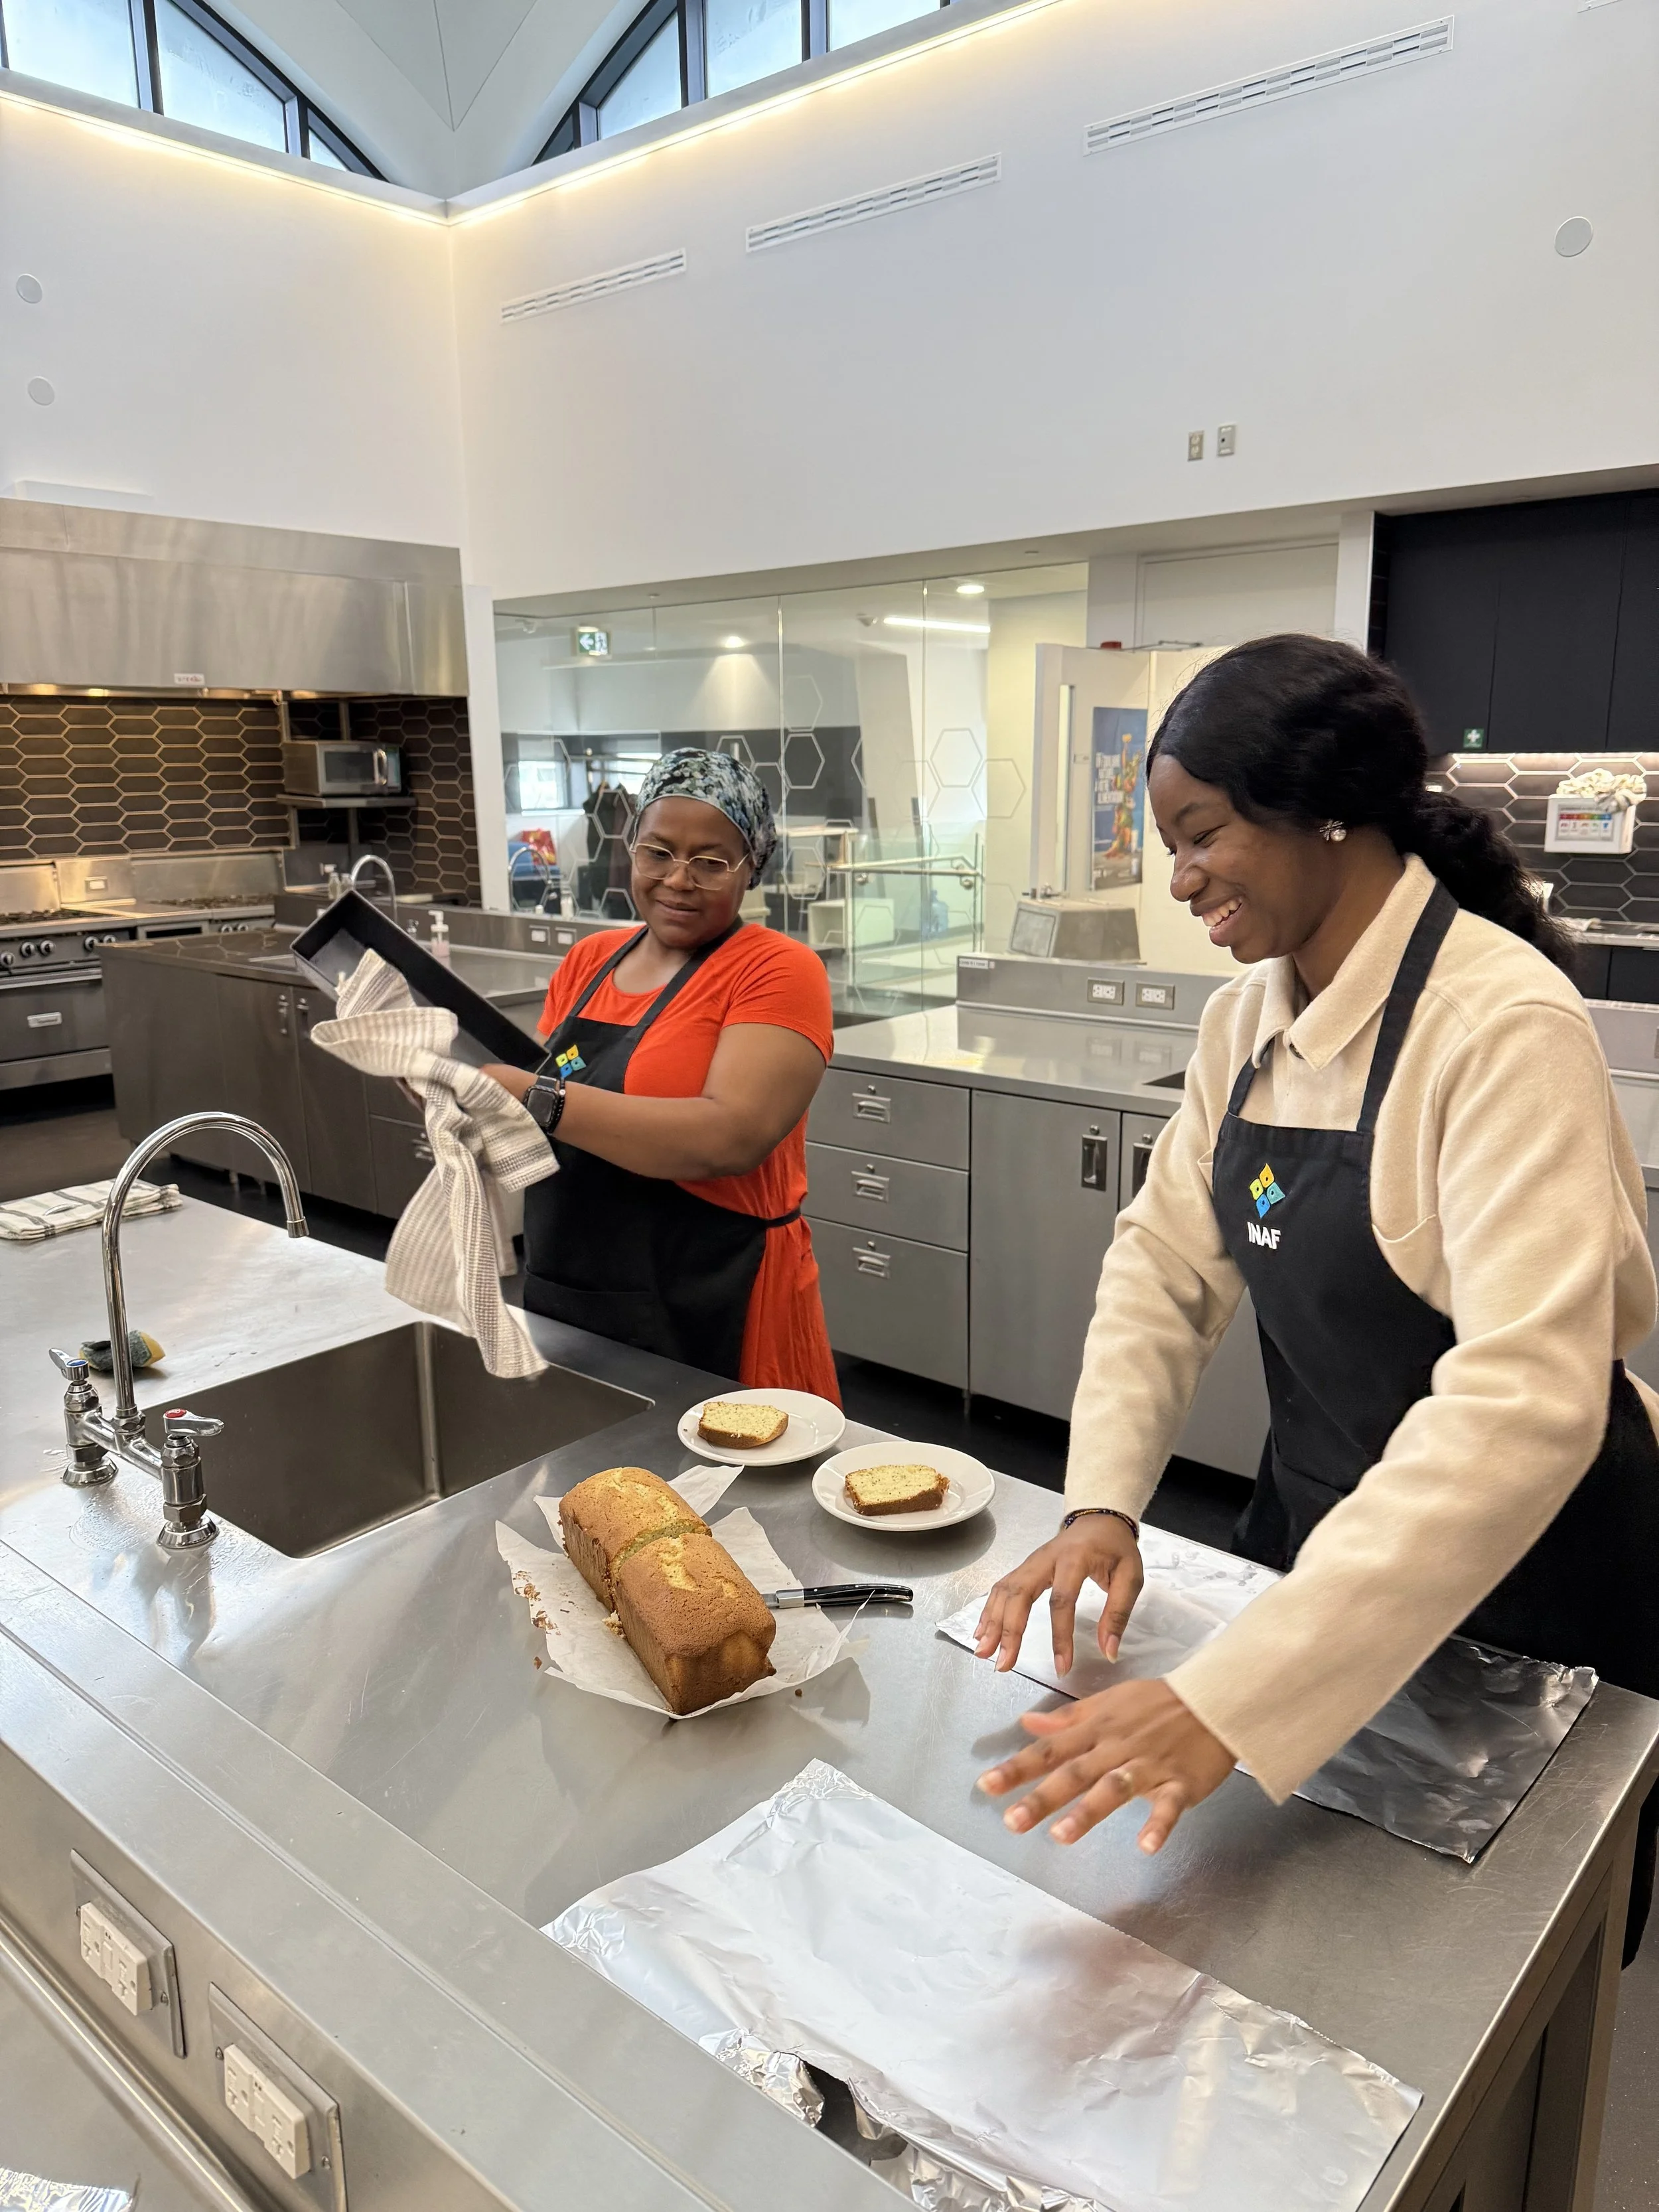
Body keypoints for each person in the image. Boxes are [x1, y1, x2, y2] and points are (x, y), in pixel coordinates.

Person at [972, 635, 1659, 1959]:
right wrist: (1101, 1498)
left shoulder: (1498, 1023)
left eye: (1199, 834)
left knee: (1490, 1965)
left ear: (1324, 811)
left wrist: (1229, 1695)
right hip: (1328, 1541)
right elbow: (1163, 1264)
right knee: (1316, 1930)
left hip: (1537, 1584)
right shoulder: (1244, 1022)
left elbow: (1523, 1399)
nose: (1177, 881)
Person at [481, 747, 839, 1399]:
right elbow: (531, 1117)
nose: (678, 879)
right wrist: (458, 1093)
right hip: (572, 1294)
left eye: (710, 861)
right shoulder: (590, 960)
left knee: (728, 1494)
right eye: (659, 852)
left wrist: (538, 1098)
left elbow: (729, 1137)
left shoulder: (775, 969)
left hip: (713, 1298)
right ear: (632, 850)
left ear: (750, 867)